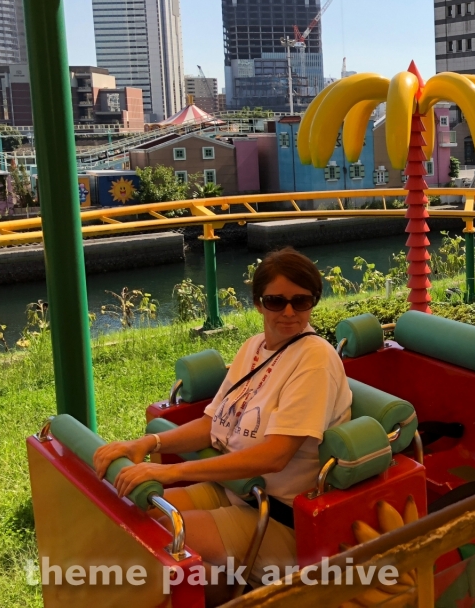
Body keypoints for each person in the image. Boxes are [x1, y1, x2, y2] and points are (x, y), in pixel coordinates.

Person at [94, 247, 352, 604]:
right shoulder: (253, 348)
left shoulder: (315, 359)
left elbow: (276, 456)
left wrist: (171, 473)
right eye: (276, 301)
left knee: (156, 547)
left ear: (314, 302)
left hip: (276, 514)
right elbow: (211, 424)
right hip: (233, 490)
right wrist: (148, 443)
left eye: (301, 301)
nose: (289, 312)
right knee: (133, 519)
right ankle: (216, 591)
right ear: (258, 303)